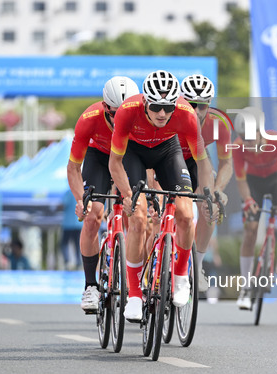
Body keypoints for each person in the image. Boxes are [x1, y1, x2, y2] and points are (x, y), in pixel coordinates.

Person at [108, 70, 214, 321]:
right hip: (134, 152)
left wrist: (207, 192)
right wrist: (127, 195)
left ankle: (180, 277)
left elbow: (203, 162)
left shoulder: (186, 114)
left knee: (187, 215)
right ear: (145, 102)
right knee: (138, 217)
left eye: (167, 107)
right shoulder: (127, 111)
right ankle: (134, 294)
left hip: (168, 150)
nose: (162, 114)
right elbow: (114, 162)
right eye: (156, 106)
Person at [67, 76, 140, 313]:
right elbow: (73, 168)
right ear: (105, 107)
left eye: (124, 116)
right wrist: (81, 201)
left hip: (129, 157)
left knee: (138, 215)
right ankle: (90, 285)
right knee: (93, 215)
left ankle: (138, 280)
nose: (119, 122)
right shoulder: (89, 119)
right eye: (114, 115)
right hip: (98, 157)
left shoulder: (143, 116)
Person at [232, 107, 277, 310]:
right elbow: (241, 179)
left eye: (251, 138)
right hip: (253, 183)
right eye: (243, 138)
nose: (248, 143)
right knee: (250, 230)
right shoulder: (238, 147)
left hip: (276, 180)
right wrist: (247, 200)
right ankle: (245, 287)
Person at [179, 74, 233, 292]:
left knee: (209, 205)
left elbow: (226, 163)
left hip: (197, 158)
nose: (195, 111)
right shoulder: (170, 116)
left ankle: (197, 265)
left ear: (209, 104)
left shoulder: (219, 123)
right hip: (167, 156)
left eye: (201, 106)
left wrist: (218, 190)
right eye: (190, 104)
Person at [59, 187, 82, 269]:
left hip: (68, 224)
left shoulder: (69, 192)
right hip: (79, 223)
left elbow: (63, 204)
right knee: (78, 244)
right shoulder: (81, 191)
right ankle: (79, 262)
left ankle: (67, 261)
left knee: (64, 243)